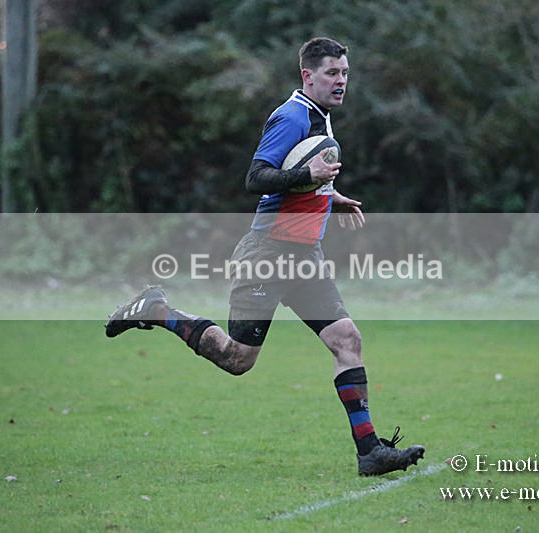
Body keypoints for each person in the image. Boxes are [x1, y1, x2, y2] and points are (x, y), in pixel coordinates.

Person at [105, 37, 424, 476]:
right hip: (268, 254)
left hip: (303, 255)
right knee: (238, 359)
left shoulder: (320, 118)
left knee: (347, 339)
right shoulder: (291, 115)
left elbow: (300, 185)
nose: (341, 81)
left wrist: (331, 196)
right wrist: (307, 175)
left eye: (345, 73)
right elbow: (257, 178)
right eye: (332, 73)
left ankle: (370, 451)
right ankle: (160, 312)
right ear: (307, 76)